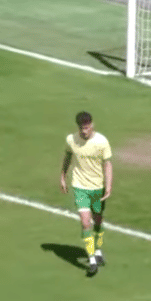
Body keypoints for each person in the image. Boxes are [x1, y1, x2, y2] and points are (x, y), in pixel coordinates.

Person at [59, 111, 113, 275]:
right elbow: (67, 156)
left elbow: (107, 164)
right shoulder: (71, 140)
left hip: (97, 187)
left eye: (87, 127)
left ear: (92, 125)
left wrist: (108, 185)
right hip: (80, 186)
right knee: (85, 222)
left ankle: (97, 250)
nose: (84, 131)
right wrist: (63, 176)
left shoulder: (101, 141)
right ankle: (91, 260)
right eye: (82, 128)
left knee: (98, 219)